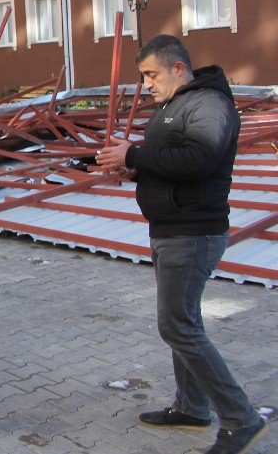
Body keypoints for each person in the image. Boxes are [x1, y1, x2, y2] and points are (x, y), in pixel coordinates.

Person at [96, 35, 267, 454]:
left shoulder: (209, 103)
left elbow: (201, 159)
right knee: (185, 321)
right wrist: (131, 169)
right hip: (172, 227)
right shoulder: (175, 105)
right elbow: (169, 163)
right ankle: (192, 407)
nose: (147, 84)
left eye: (152, 74)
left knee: (176, 324)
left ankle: (240, 419)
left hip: (193, 231)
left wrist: (134, 156)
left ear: (177, 68)